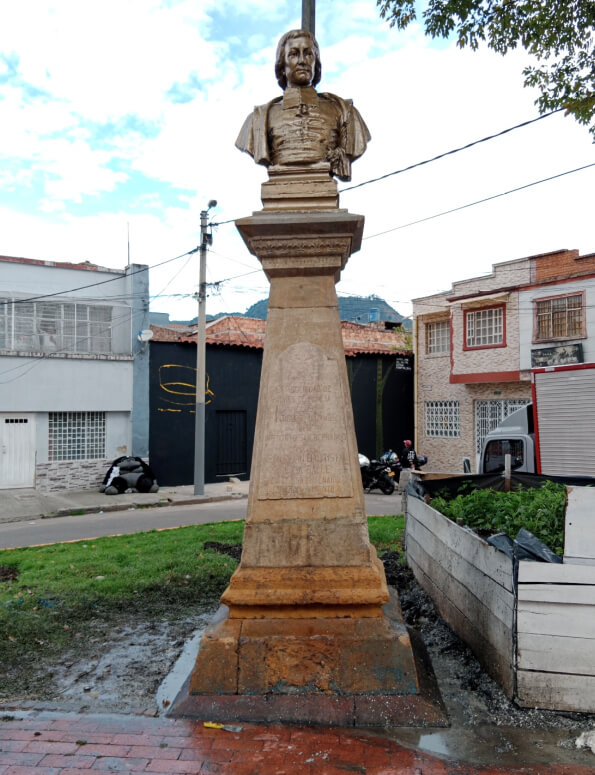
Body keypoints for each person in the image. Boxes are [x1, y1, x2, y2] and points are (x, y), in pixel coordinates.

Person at [235, 29, 370, 181]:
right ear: (282, 64)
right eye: (293, 54)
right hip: (279, 186)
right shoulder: (258, 118)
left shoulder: (344, 111)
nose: (302, 60)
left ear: (315, 62)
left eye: (308, 53)